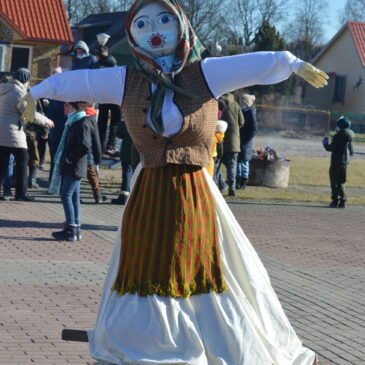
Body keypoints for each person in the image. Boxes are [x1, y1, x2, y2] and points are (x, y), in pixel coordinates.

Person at [25, 0, 328, 363]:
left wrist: (291, 63)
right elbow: (79, 81)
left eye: (164, 21)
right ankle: (144, 340)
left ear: (182, 26)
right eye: (142, 24)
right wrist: (36, 92)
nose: (154, 30)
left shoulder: (204, 74)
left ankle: (200, 337)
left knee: (196, 263)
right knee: (144, 263)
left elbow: (253, 64)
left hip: (192, 189)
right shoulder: (127, 79)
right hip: (149, 188)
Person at [0, 68, 53, 201]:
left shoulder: (3, 88)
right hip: (14, 132)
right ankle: (21, 194)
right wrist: (47, 121)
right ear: (25, 79)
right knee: (23, 160)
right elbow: (30, 114)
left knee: (2, 163)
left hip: (2, 132)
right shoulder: (19, 92)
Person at [51, 101, 102, 241]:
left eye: (68, 105)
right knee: (73, 196)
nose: (65, 108)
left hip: (75, 165)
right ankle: (76, 228)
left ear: (75, 107)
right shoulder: (75, 121)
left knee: (65, 194)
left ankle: (71, 228)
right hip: (74, 165)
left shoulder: (81, 123)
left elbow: (85, 145)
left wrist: (69, 158)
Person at [91, 45, 121, 155]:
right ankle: (110, 146)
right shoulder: (114, 62)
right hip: (115, 96)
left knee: (102, 122)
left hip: (103, 96)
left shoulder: (97, 65)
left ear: (98, 55)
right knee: (114, 122)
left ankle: (99, 146)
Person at [322, 116, 354, 208]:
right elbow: (351, 151)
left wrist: (325, 142)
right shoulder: (349, 135)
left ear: (340, 125)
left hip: (336, 161)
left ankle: (335, 201)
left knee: (334, 182)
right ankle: (343, 201)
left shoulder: (338, 136)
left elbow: (330, 148)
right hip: (345, 162)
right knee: (341, 182)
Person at [218, 92, 244, 196]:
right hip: (234, 141)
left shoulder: (218, 103)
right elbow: (241, 121)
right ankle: (232, 188)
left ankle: (218, 187)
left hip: (219, 139)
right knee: (232, 166)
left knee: (216, 166)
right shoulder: (236, 105)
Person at [236, 93, 258, 190]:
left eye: (241, 102)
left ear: (246, 103)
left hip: (245, 142)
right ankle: (238, 180)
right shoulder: (242, 111)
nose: (240, 103)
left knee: (244, 163)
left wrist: (246, 140)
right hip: (240, 140)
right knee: (239, 162)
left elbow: (253, 128)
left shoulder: (250, 112)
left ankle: (243, 181)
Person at [111, 120, 134, 205]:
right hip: (138, 151)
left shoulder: (124, 122)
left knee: (127, 173)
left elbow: (118, 134)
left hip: (126, 151)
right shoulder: (142, 118)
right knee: (135, 173)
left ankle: (124, 195)